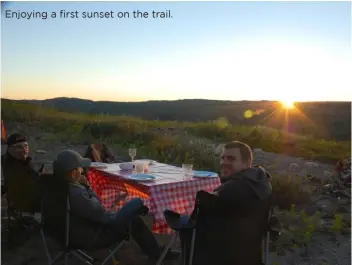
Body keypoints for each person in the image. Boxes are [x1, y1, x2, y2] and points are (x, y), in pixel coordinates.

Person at [45, 149, 178, 262]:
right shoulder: (76, 193)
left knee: (128, 211)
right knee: (135, 213)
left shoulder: (52, 187)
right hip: (89, 236)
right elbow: (103, 216)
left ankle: (154, 250)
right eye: (81, 168)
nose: (83, 171)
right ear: (74, 173)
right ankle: (156, 255)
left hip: (61, 234)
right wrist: (87, 187)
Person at [173, 141, 272, 265]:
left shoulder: (230, 190)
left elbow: (203, 214)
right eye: (223, 158)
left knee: (180, 218)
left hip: (216, 252)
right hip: (248, 253)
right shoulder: (263, 184)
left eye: (231, 159)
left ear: (246, 163)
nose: (224, 162)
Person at [1, 133, 43, 212]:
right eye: (19, 147)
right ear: (10, 149)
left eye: (26, 146)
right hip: (22, 209)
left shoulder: (26, 163)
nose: (24, 150)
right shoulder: (8, 165)